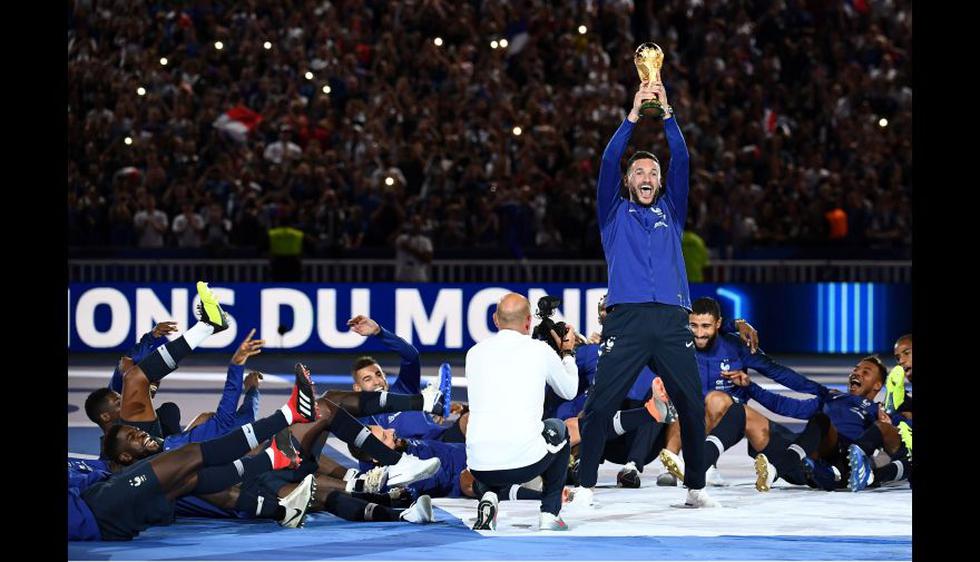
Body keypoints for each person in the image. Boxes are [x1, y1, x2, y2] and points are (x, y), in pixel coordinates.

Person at [574, 79, 717, 509]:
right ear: (627, 180)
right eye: (639, 171)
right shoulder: (612, 214)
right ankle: (584, 488)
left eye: (653, 171)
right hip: (628, 320)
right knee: (600, 406)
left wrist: (668, 114)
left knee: (692, 404)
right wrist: (634, 115)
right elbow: (608, 158)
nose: (648, 176)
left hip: (673, 319)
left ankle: (695, 487)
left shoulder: (671, 212)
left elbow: (684, 160)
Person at [69, 366, 319, 540]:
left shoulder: (138, 450)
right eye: (133, 436)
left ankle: (283, 507)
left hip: (103, 503)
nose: (141, 434)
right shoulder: (131, 457)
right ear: (123, 456)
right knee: (189, 456)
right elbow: (135, 379)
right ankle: (289, 416)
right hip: (94, 508)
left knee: (191, 477)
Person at [465, 293, 579, 531]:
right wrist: (567, 353)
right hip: (524, 463)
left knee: (495, 438)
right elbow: (569, 390)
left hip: (479, 467)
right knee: (559, 428)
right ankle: (549, 513)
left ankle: (489, 498)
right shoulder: (538, 350)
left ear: (495, 320)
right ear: (528, 322)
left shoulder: (474, 353)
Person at [345, 315, 460, 441]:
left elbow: (411, 356)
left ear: (385, 378)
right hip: (410, 456)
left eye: (379, 375)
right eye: (367, 379)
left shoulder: (404, 388)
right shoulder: (362, 419)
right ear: (357, 388)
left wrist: (379, 332)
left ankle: (436, 402)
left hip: (443, 441)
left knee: (468, 420)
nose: (376, 382)